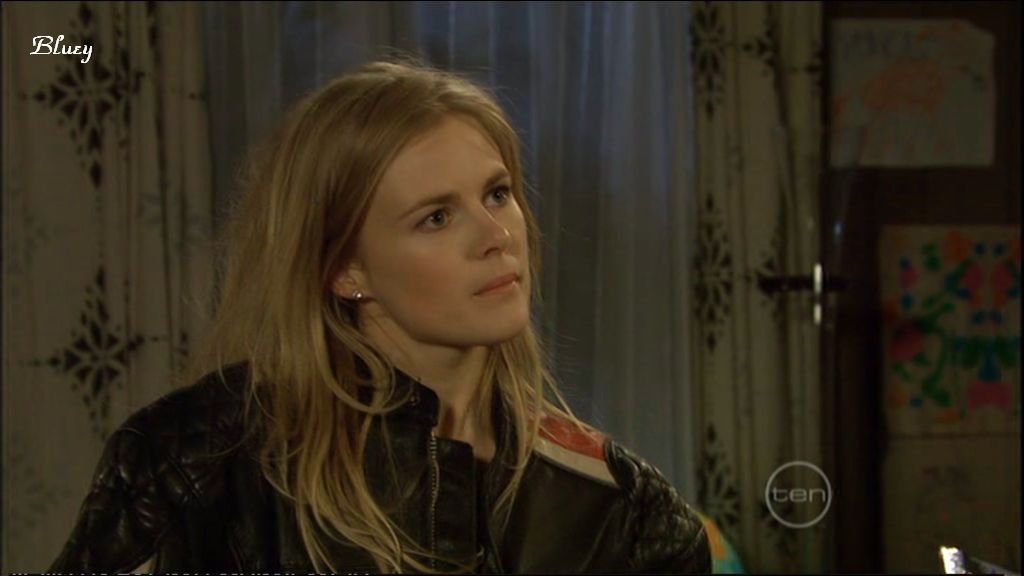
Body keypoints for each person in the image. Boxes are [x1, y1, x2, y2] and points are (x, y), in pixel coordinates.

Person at [48, 59, 710, 574]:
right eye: (437, 217)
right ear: (345, 270)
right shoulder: (201, 460)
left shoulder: (620, 509)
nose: (497, 236)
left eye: (497, 194)